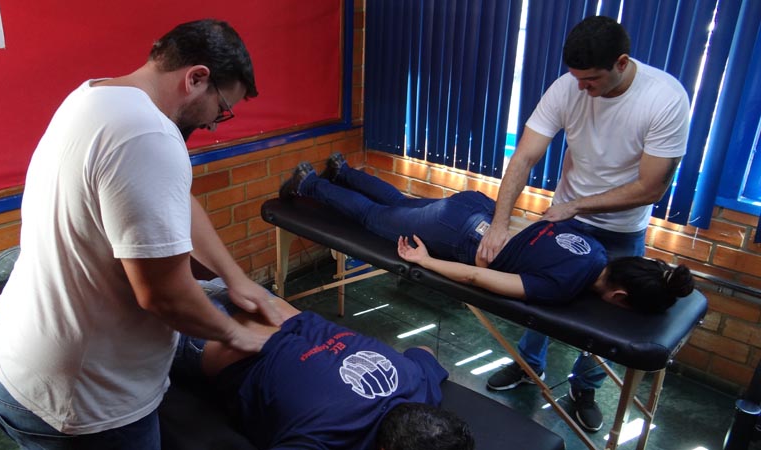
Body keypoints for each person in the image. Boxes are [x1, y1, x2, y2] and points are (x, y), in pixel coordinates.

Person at [0, 19, 282, 450]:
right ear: (196, 78)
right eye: (221, 108)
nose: (216, 124)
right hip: (80, 402)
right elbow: (164, 296)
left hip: (19, 361)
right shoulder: (149, 135)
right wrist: (236, 334)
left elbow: (172, 201)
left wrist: (234, 278)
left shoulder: (93, 96)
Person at [474, 16, 691, 432]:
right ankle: (528, 365)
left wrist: (577, 206)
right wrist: (500, 223)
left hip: (620, 227)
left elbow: (651, 188)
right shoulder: (567, 87)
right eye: (577, 78)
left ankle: (585, 388)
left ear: (621, 63)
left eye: (591, 80)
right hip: (566, 216)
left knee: (606, 320)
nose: (582, 88)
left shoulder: (665, 99)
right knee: (539, 296)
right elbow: (524, 157)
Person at [280, 154, 693, 312]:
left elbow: (544, 224)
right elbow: (478, 276)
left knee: (401, 204)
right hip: (457, 232)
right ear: (619, 296)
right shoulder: (562, 287)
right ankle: (309, 183)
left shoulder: (596, 249)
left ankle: (343, 171)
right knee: (374, 218)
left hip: (477, 208)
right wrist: (426, 261)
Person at [172, 279, 475, 450]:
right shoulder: (327, 436)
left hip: (260, 298)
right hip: (200, 332)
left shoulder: (419, 382)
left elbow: (422, 350)